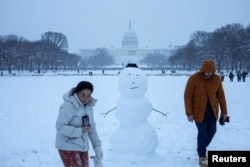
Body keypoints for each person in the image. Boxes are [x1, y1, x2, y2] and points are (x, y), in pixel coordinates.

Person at [184, 60, 228, 167]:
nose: (208, 74)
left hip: (212, 111)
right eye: (206, 71)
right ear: (202, 70)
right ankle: (202, 156)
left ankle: (201, 147)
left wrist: (224, 112)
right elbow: (187, 96)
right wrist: (189, 113)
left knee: (212, 131)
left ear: (214, 71)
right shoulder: (194, 78)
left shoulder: (217, 79)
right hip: (198, 112)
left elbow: (221, 96)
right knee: (202, 133)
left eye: (211, 72)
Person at [55, 81, 103, 167]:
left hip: (82, 146)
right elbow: (60, 126)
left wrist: (97, 147)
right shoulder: (68, 106)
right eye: (83, 94)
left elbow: (91, 129)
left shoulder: (89, 107)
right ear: (77, 92)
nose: (85, 98)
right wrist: (80, 131)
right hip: (67, 146)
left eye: (88, 95)